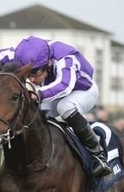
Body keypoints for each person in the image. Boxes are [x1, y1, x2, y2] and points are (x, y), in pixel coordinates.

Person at [12, 36, 112, 177]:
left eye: (35, 73)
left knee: (65, 107)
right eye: (28, 74)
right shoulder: (28, 54)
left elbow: (64, 86)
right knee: (39, 115)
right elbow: (2, 57)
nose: (32, 79)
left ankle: (98, 154)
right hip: (56, 93)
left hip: (82, 90)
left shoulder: (65, 58)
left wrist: (38, 94)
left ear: (47, 63)